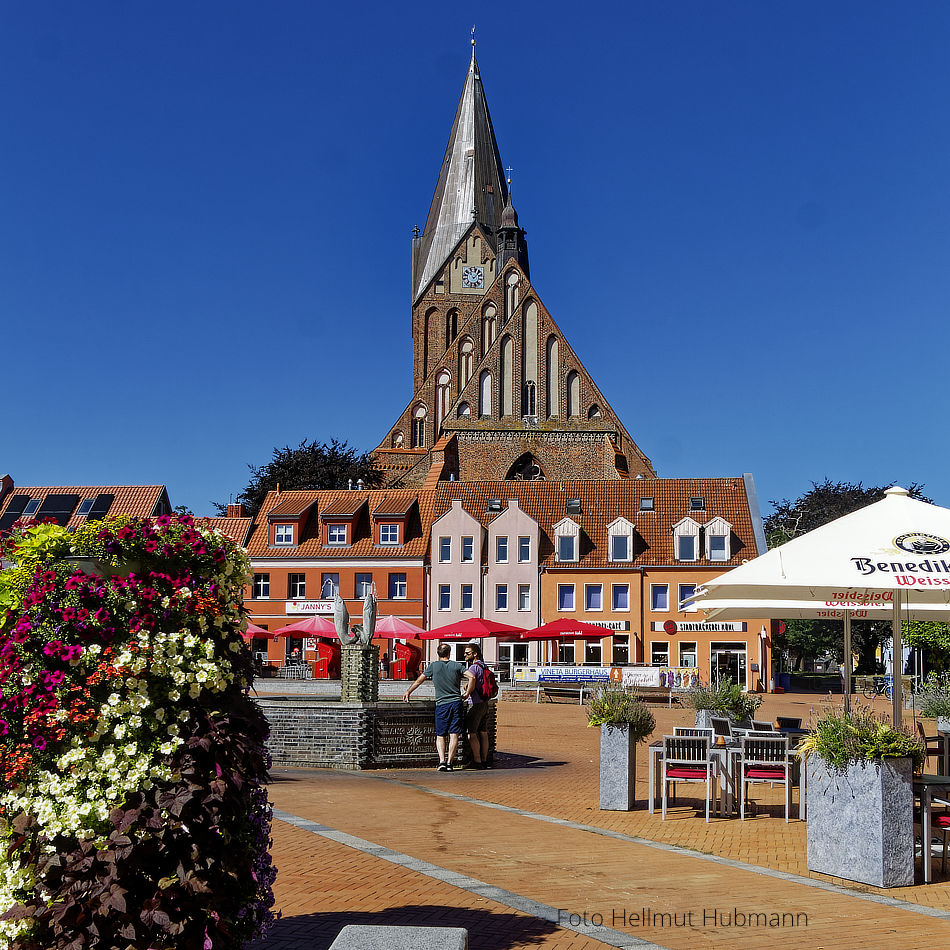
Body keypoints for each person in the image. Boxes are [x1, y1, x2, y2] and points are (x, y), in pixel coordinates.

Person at [403, 642, 474, 771]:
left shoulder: (433, 666)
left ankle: (441, 761)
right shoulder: (457, 666)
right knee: (454, 734)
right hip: (456, 703)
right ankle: (449, 763)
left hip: (442, 704)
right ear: (449, 653)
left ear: (438, 654)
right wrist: (468, 692)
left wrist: (408, 691)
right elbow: (472, 676)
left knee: (440, 734)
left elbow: (420, 680)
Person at [462, 643, 491, 769]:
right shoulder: (484, 666)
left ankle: (477, 761)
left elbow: (473, 680)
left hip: (475, 703)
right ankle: (484, 759)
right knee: (483, 732)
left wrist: (467, 691)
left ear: (475, 654)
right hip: (485, 702)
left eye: (467, 653)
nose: (465, 655)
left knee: (472, 733)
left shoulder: (473, 668)